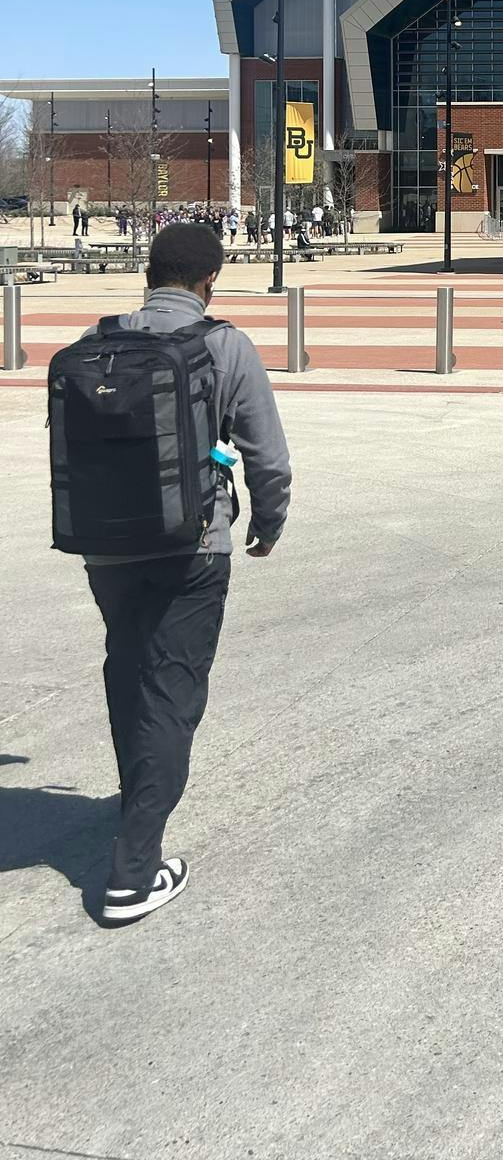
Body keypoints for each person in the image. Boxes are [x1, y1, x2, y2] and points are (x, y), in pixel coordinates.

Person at [78, 222, 292, 925]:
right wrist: (267, 522)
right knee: (172, 690)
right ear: (209, 283)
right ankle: (133, 875)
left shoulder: (96, 341)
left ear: (149, 272)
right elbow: (267, 456)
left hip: (105, 548)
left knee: (128, 668)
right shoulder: (223, 344)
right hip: (193, 547)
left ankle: (139, 790)